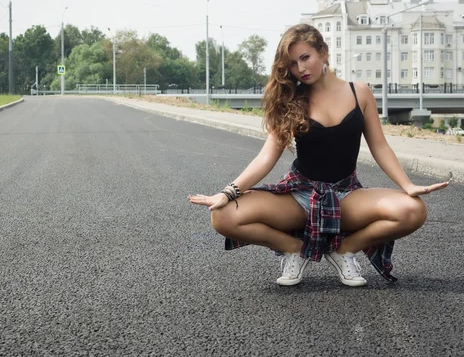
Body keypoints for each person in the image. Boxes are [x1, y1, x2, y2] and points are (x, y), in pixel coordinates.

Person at [188, 23, 449, 287]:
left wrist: (407, 185)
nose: (300, 69)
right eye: (292, 64)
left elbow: (380, 147)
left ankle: (344, 250)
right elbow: (266, 157)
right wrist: (228, 192)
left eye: (305, 58)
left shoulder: (361, 93)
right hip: (299, 195)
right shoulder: (291, 100)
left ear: (323, 52)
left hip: (346, 196)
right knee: (221, 215)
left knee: (413, 210)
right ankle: (296, 249)